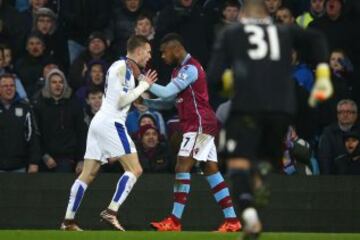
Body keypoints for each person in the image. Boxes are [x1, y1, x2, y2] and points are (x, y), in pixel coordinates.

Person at [206, 0, 332, 239]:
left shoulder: (232, 32)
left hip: (247, 107)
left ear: (242, 15)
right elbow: (316, 39)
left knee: (237, 163)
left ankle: (250, 214)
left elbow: (213, 77)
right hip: (282, 109)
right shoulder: (284, 31)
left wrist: (227, 82)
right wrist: (324, 74)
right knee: (263, 158)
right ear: (268, 15)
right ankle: (262, 173)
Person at [144, 33, 241, 232]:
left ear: (175, 49)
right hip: (197, 124)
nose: (162, 57)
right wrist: (145, 103)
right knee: (211, 170)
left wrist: (143, 81)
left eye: (163, 52)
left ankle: (174, 221)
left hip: (200, 124)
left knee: (182, 166)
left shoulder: (191, 68)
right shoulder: (178, 72)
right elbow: (169, 101)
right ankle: (232, 221)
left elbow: (166, 92)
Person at [60, 35, 157, 231]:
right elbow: (120, 101)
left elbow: (120, 99)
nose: (149, 56)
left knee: (88, 174)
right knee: (135, 170)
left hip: (101, 122)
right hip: (111, 123)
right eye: (148, 52)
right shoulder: (120, 67)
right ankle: (111, 212)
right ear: (138, 51)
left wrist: (135, 101)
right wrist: (144, 86)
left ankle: (68, 221)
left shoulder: (125, 69)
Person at [0, 73, 40, 173]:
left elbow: (33, 136)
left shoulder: (25, 108)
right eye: (5, 86)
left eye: (12, 85)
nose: (9, 88)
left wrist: (34, 162)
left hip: (19, 166)